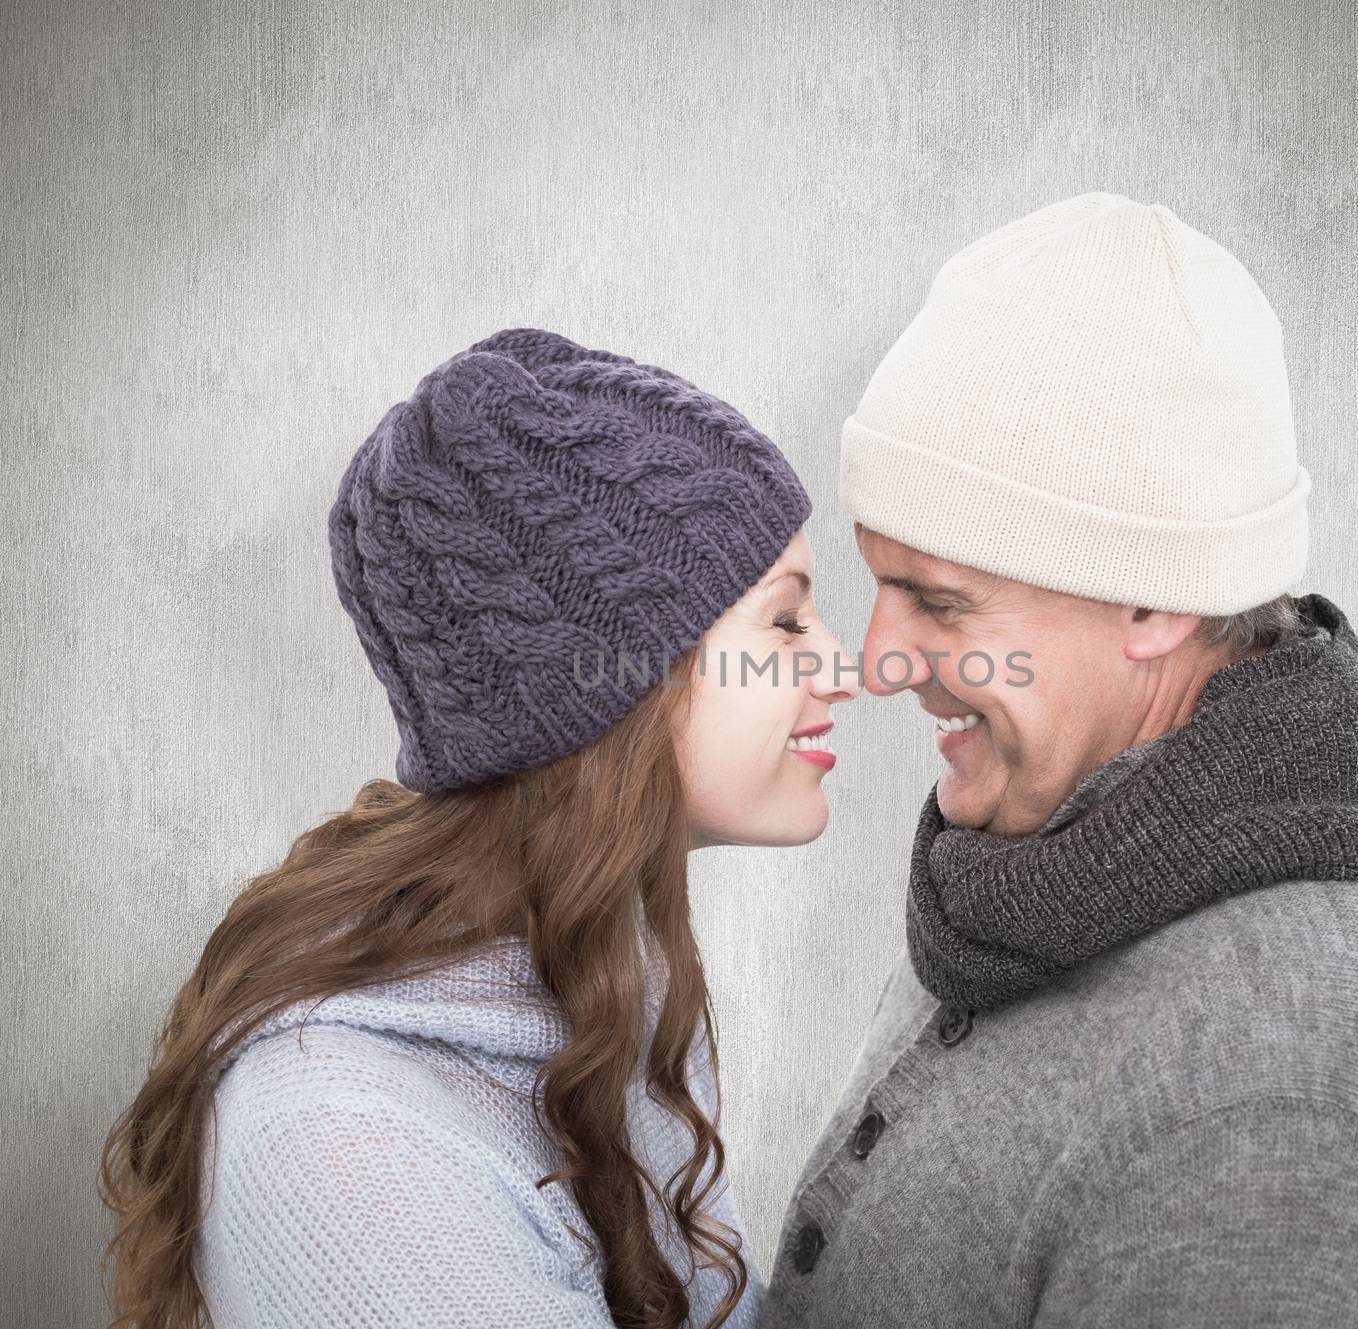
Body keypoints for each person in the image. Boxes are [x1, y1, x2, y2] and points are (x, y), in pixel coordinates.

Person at [759, 193, 1358, 1328]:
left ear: (1156, 601)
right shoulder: (1046, 858)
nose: (878, 662)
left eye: (940, 602)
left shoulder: (1289, 1112)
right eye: (878, 587)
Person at [99, 326, 859, 1329]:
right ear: (610, 680)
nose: (844, 670)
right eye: (785, 621)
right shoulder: (346, 1147)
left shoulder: (599, 971)